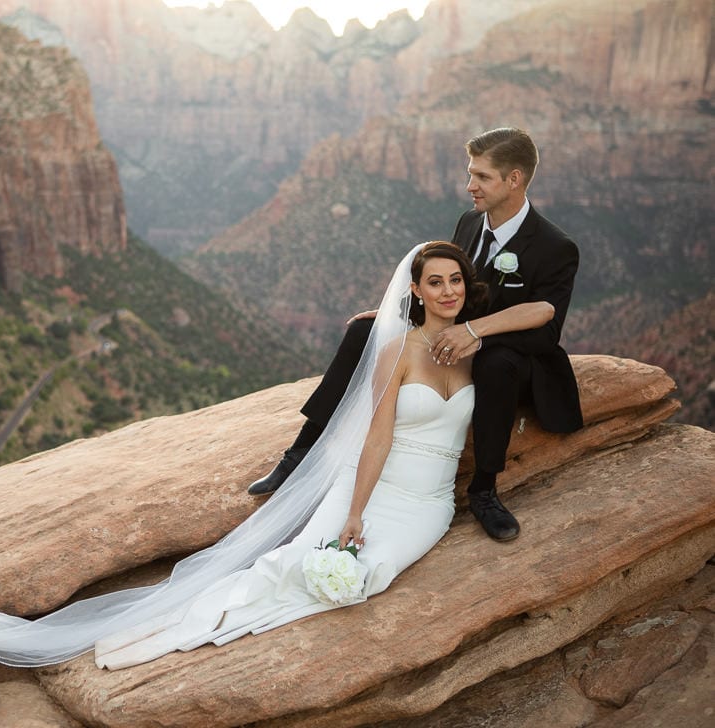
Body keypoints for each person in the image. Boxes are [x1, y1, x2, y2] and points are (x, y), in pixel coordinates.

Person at [0, 242, 529, 669]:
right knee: (296, 564)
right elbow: (373, 435)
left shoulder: (473, 347)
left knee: (367, 579)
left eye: (456, 281)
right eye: (434, 282)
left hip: (430, 504)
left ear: (468, 289)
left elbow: (542, 315)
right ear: (416, 289)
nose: (447, 291)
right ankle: (165, 628)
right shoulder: (397, 349)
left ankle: (234, 606)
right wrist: (355, 512)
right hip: (378, 488)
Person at [248, 127, 583, 543]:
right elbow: (454, 287)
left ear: (513, 180)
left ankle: (484, 490)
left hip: (508, 351)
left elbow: (546, 332)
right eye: (470, 174)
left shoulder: (555, 247)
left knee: (498, 365)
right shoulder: (470, 223)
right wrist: (401, 311)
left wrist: (477, 334)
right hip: (453, 334)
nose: (469, 186)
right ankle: (301, 452)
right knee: (364, 331)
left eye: (481, 177)